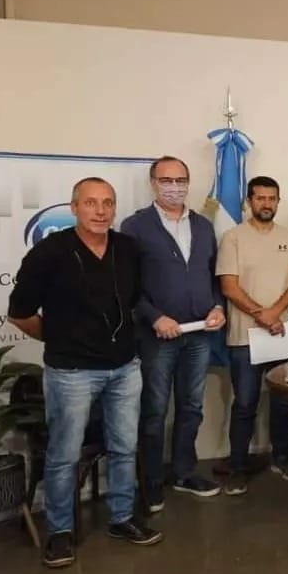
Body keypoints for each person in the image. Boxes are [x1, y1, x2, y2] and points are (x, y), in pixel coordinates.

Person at [8, 177, 162, 569]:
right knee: (64, 455)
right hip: (71, 372)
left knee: (124, 446)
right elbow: (20, 313)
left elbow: (132, 301)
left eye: (108, 203)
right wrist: (59, 338)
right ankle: (59, 532)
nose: (100, 211)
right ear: (74, 207)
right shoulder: (49, 253)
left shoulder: (127, 249)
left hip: (124, 368)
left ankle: (122, 517)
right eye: (91, 203)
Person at [120, 156, 225, 511]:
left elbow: (213, 276)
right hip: (157, 337)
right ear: (153, 183)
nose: (174, 187)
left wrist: (217, 306)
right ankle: (150, 483)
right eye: (166, 180)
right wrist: (153, 317)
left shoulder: (203, 226)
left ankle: (183, 472)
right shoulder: (135, 226)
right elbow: (127, 285)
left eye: (181, 180)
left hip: (199, 334)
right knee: (154, 411)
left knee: (192, 407)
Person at [216, 176, 288, 496]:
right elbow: (229, 286)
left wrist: (274, 313)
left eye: (272, 198)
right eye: (260, 198)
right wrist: (261, 314)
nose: (266, 204)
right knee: (245, 404)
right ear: (249, 202)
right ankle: (238, 468)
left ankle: (282, 458)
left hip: (284, 333)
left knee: (284, 403)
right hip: (245, 337)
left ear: (278, 201)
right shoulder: (232, 238)